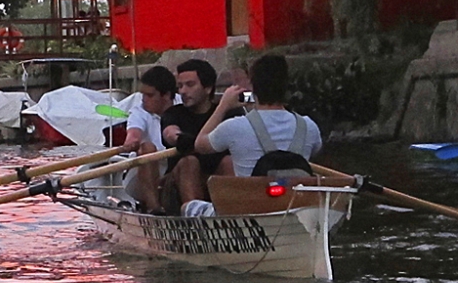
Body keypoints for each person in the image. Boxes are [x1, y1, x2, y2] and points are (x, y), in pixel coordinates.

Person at [195, 53, 322, 189]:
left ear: (253, 87)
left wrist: (223, 106)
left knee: (189, 207)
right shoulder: (309, 127)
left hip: (252, 206)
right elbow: (315, 150)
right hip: (298, 205)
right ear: (286, 86)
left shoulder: (235, 127)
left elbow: (200, 145)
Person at [160, 59, 237, 212]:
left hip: (214, 181)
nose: (182, 91)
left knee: (229, 161)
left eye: (190, 85)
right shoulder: (173, 113)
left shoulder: (231, 115)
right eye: (180, 86)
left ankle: (233, 214)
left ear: (208, 88)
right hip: (176, 187)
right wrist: (179, 138)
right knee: (190, 162)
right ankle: (196, 219)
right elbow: (170, 132)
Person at [120, 66, 177, 213]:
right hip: (139, 176)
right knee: (147, 148)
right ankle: (154, 208)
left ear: (166, 96)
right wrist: (131, 142)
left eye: (150, 95)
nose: (144, 100)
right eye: (143, 95)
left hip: (172, 172)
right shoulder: (139, 112)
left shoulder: (183, 106)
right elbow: (133, 134)